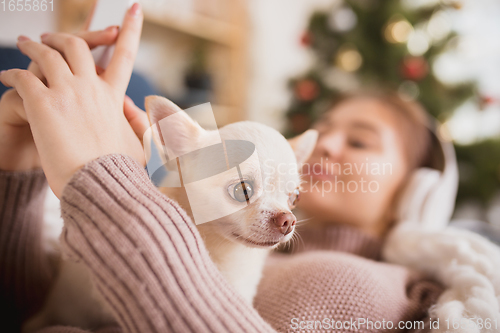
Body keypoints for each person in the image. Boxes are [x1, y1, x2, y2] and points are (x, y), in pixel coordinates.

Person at [1, 3, 499, 333]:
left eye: (360, 139)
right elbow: (30, 311)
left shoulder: (387, 289)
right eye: (322, 129)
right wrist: (16, 171)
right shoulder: (225, 226)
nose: (326, 145)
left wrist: (110, 190)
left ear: (415, 192)